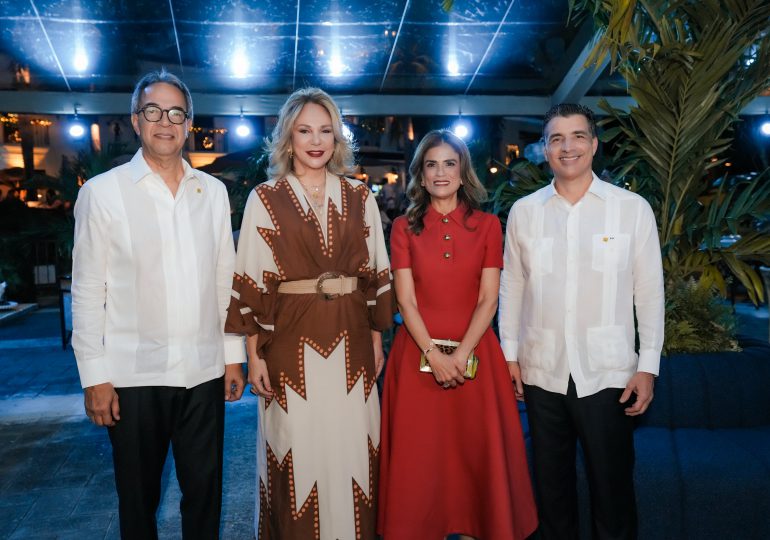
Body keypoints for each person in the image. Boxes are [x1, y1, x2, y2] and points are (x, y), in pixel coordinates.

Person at [71, 69, 246, 539]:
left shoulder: (211, 193)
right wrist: (94, 376)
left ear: (189, 123)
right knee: (137, 501)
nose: (164, 121)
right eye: (153, 111)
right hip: (131, 376)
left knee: (205, 496)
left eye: (175, 112)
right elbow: (88, 289)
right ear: (136, 120)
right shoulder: (102, 193)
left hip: (202, 371)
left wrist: (233, 357)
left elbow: (223, 280)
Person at [225, 87, 393, 540]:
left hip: (354, 344)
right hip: (289, 347)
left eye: (325, 130)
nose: (316, 140)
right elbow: (253, 284)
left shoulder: (361, 196)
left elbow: (376, 274)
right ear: (287, 138)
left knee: (355, 451)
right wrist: (253, 356)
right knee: (297, 451)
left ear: (337, 138)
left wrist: (378, 342)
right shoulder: (265, 196)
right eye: (304, 130)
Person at [499, 103, 665, 540]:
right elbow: (512, 287)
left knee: (612, 491)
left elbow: (648, 292)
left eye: (576, 136)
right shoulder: (525, 212)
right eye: (556, 138)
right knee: (551, 494)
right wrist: (510, 356)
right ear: (544, 149)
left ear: (594, 144)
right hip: (541, 370)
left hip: (608, 373)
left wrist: (647, 365)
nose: (566, 146)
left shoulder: (631, 209)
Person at [378, 130, 538, 540]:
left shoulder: (487, 226)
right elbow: (405, 302)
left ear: (463, 172)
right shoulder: (402, 228)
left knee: (474, 467)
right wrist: (435, 355)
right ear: (421, 175)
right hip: (416, 362)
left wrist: (460, 356)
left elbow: (488, 300)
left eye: (449, 163)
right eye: (431, 164)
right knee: (421, 466)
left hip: (477, 363)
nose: (441, 172)